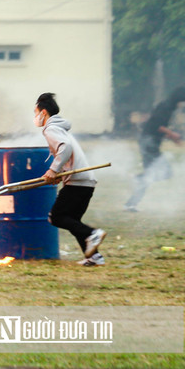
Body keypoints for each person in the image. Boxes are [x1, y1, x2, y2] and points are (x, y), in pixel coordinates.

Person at [36, 92, 107, 266]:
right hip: (85, 182)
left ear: (43, 112)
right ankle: (94, 257)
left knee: (57, 217)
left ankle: (93, 234)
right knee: (72, 221)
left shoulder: (51, 129)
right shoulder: (60, 128)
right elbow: (68, 155)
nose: (35, 117)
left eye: (36, 112)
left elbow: (65, 148)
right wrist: (59, 174)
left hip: (78, 182)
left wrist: (53, 170)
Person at [125, 87, 185, 211]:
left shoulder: (168, 106)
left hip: (150, 143)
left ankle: (131, 204)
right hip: (149, 144)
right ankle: (137, 179)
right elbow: (156, 125)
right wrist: (172, 134)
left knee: (150, 175)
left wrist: (171, 137)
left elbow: (156, 126)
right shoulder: (166, 107)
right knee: (162, 173)